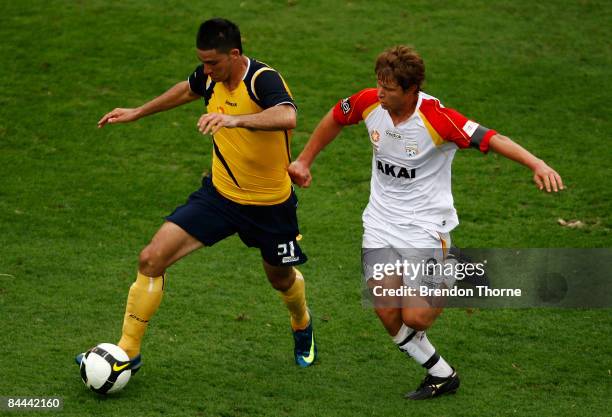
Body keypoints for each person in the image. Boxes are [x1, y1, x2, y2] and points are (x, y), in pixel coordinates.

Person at [288, 45, 563, 399]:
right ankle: (442, 374)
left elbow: (493, 138)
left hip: (426, 228)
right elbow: (336, 117)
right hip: (380, 222)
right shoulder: (369, 102)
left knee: (416, 317)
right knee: (385, 308)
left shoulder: (437, 118)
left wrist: (537, 164)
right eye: (379, 84)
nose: (380, 92)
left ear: (410, 89)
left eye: (388, 88)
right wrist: (305, 160)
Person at [76, 18, 317, 374]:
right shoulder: (209, 77)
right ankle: (129, 350)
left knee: (280, 278)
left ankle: (302, 323)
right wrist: (138, 112)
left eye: (212, 63)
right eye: (202, 62)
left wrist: (235, 121)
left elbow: (287, 115)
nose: (205, 70)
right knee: (151, 259)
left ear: (234, 54)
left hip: (270, 206)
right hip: (219, 198)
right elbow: (185, 89)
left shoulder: (262, 79)